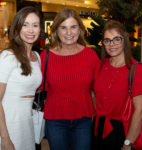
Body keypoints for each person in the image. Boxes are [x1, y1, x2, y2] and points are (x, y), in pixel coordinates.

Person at [40, 8, 100, 150]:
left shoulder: (90, 55)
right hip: (55, 121)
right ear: (56, 30)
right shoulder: (46, 56)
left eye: (73, 27)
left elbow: (101, 87)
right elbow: (36, 86)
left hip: (83, 121)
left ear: (80, 29)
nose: (68, 33)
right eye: (63, 27)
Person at [93, 20, 142, 150]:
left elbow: (140, 111)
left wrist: (128, 143)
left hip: (123, 130)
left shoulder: (136, 69)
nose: (111, 44)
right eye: (107, 40)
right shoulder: (100, 66)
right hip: (99, 127)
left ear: (124, 40)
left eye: (116, 39)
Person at [0, 6, 42, 150]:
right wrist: (5, 138)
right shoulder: (7, 57)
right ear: (18, 28)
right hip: (8, 124)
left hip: (27, 124)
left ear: (40, 29)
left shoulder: (37, 57)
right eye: (25, 25)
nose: (31, 30)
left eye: (35, 25)